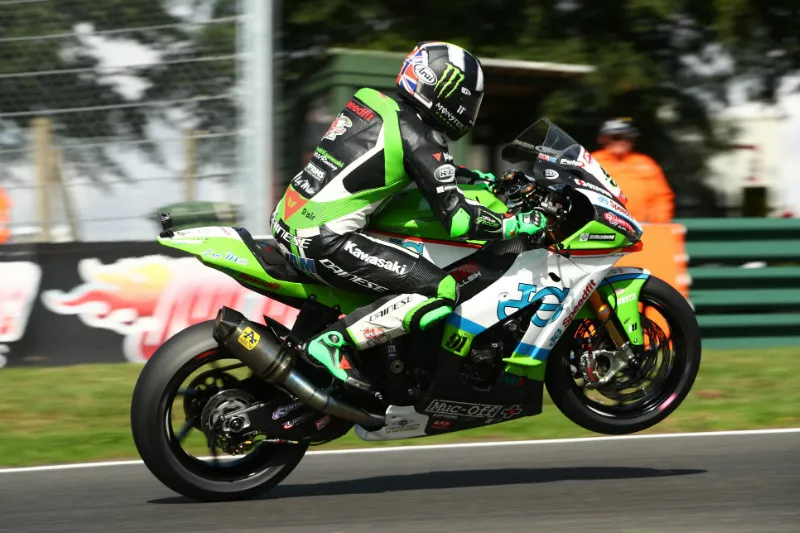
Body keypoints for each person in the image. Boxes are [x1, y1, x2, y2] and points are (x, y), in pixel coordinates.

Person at [270, 41, 546, 390]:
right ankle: (334, 342)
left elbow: (405, 164)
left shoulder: (373, 103)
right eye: (468, 98)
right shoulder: (421, 136)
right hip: (323, 239)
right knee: (441, 290)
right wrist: (514, 223)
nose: (469, 109)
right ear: (444, 91)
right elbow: (458, 220)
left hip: (287, 219)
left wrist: (473, 178)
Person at [592, 118, 675, 223]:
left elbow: (662, 197)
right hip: (603, 226)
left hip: (644, 228)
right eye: (615, 137)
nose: (621, 141)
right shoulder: (591, 162)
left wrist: (660, 221)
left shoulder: (646, 163)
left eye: (626, 137)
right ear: (603, 139)